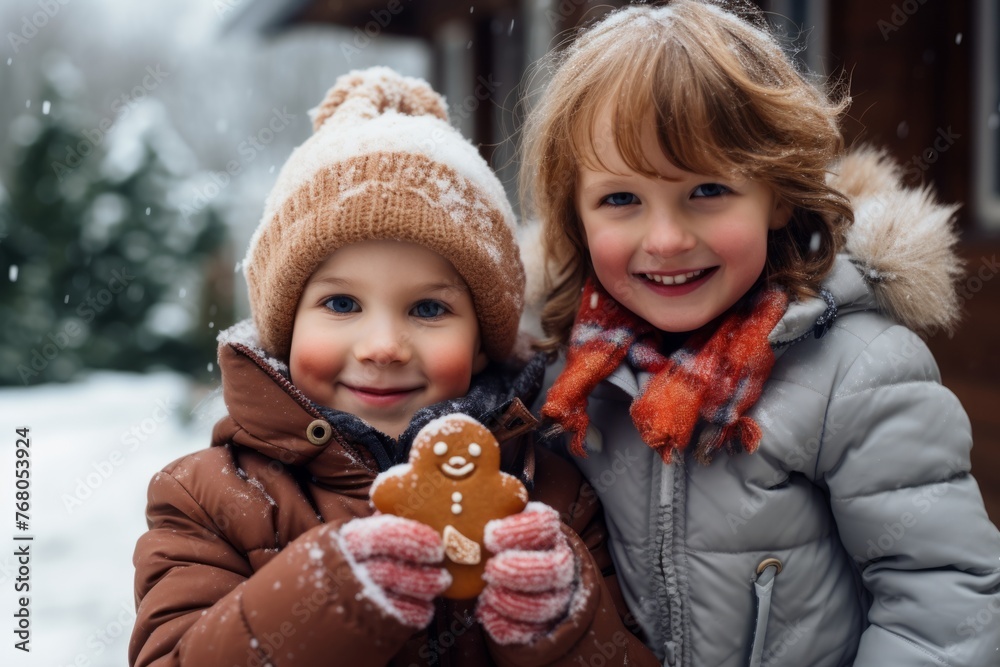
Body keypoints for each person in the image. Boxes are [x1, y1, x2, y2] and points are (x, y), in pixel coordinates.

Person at [129, 67, 659, 667]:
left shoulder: (551, 496)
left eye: (428, 308)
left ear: (485, 341)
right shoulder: (209, 500)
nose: (383, 345)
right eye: (342, 304)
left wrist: (563, 623)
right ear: (285, 325)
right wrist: (323, 597)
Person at [521, 2, 1000, 665]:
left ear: (776, 192)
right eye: (621, 199)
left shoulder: (857, 372)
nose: (665, 239)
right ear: (573, 211)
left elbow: (943, 592)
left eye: (708, 189)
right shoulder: (566, 380)